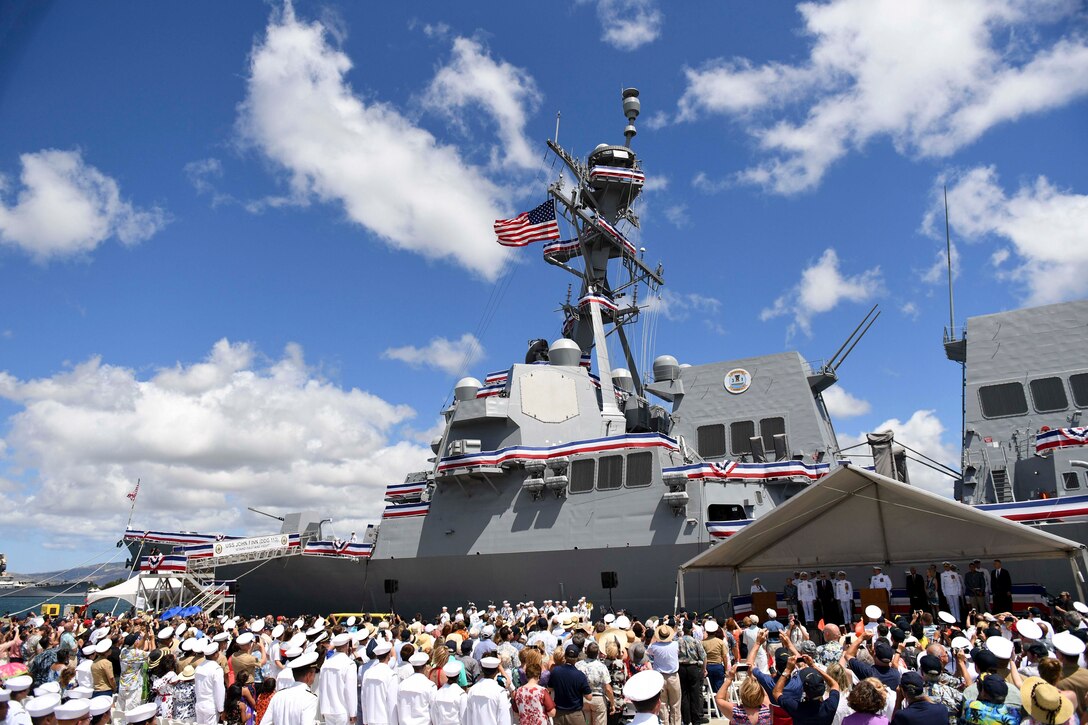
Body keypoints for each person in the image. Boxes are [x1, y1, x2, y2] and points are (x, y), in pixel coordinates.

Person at [774, 655, 840, 725]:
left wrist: (787, 670)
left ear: (804, 690)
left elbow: (776, 692)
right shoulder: (830, 706)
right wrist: (813, 666)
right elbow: (834, 685)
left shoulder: (796, 707)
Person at [258, 651, 319, 725]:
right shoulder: (310, 698)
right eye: (314, 673)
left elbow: (264, 723)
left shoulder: (278, 695)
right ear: (309, 675)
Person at [318, 632, 358, 725]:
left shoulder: (326, 664)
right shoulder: (349, 664)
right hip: (342, 710)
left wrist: (323, 708)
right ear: (347, 645)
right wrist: (353, 712)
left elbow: (322, 688)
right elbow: (350, 690)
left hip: (327, 709)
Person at [548, 644, 592, 725]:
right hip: (575, 715)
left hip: (559, 714)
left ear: (565, 656)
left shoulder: (555, 671)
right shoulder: (580, 675)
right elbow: (589, 697)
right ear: (577, 658)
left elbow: (549, 689)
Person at [360, 639, 400, 725]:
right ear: (389, 655)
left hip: (371, 719)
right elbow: (392, 703)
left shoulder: (368, 673)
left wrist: (365, 720)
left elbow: (364, 698)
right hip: (384, 720)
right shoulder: (390, 674)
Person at [649, 625, 682, 725]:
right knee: (675, 705)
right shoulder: (675, 644)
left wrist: (654, 638)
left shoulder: (654, 647)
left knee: (662, 704)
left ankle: (664, 723)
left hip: (660, 678)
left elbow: (649, 649)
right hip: (673, 676)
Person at [578, 641, 617, 725]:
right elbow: (607, 688)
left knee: (587, 723)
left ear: (586, 651)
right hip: (598, 701)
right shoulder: (602, 667)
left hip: (583, 699)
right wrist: (612, 703)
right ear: (598, 653)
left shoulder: (578, 665)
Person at [465, 656, 511, 725]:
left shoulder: (473, 690)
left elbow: (468, 718)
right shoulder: (499, 691)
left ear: (482, 670)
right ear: (497, 671)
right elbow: (504, 719)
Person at [675, 622, 705, 725]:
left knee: (684, 694)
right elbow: (703, 656)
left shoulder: (677, 641)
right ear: (691, 629)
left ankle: (686, 720)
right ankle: (696, 720)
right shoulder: (696, 641)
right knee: (695, 693)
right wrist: (701, 668)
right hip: (693, 667)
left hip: (682, 668)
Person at [399, 652, 438, 725]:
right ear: (425, 667)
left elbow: (399, 708)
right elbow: (434, 711)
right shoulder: (430, 686)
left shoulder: (402, 685)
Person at [514, 658, 555, 725]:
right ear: (539, 676)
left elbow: (516, 713)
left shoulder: (518, 691)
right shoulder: (542, 691)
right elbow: (552, 713)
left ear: (526, 676)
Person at [703, 621, 728, 697]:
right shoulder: (720, 642)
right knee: (719, 688)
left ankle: (711, 704)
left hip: (707, 667)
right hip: (718, 666)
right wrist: (726, 669)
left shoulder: (702, 642)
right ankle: (719, 706)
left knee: (709, 688)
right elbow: (724, 657)